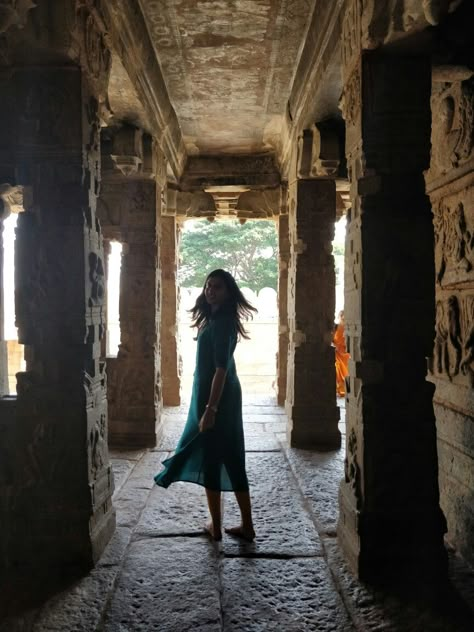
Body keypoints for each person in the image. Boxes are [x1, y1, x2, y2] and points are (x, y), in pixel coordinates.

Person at [154, 269, 257, 542]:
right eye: (208, 285)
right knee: (229, 455)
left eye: (218, 287)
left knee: (218, 456)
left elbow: (221, 370)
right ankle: (237, 524)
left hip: (217, 398)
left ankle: (221, 525)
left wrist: (211, 410)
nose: (211, 290)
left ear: (228, 292)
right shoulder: (214, 319)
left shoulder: (222, 323)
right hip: (213, 395)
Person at [333, 309, 350, 398]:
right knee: (338, 372)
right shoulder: (336, 328)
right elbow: (333, 340)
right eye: (341, 316)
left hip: (346, 355)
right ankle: (340, 390)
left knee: (347, 373)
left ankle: (346, 390)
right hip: (338, 355)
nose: (343, 318)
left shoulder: (348, 329)